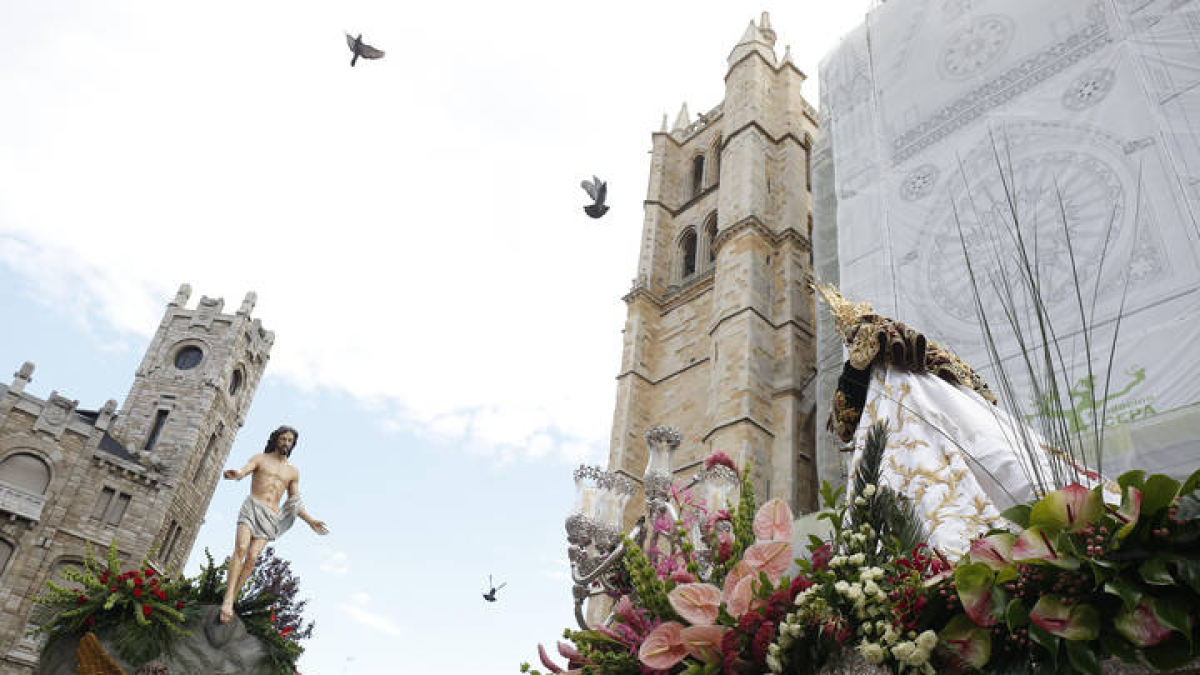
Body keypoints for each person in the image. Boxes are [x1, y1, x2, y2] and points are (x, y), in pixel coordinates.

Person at [219, 425, 329, 623]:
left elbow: (294, 502)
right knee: (241, 548)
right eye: (283, 439)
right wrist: (237, 474)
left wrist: (310, 520)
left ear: (293, 444)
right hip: (252, 507)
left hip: (270, 516)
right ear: (276, 440)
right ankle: (227, 599)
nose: (286, 443)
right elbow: (245, 470)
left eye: (290, 441)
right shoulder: (260, 458)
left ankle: (233, 598)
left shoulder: (292, 471)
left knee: (252, 557)